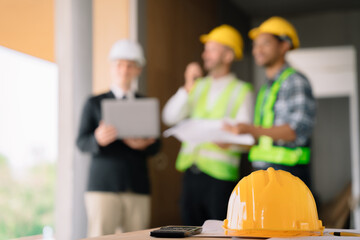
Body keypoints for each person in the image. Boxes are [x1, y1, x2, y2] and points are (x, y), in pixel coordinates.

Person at [162, 25, 253, 226]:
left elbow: (248, 140)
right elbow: (169, 116)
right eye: (206, 49)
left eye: (212, 49)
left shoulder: (241, 91)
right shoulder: (197, 86)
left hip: (220, 180)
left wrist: (230, 142)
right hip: (191, 175)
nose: (205, 55)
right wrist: (187, 86)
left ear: (228, 56)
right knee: (189, 232)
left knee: (219, 234)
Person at [76, 39, 161, 237]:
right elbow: (81, 142)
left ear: (138, 70)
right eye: (119, 65)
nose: (124, 70)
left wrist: (143, 145)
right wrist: (97, 139)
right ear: (112, 67)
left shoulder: (145, 104)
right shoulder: (94, 103)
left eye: (130, 66)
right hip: (103, 186)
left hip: (137, 186)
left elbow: (156, 145)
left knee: (137, 237)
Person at [224, 16, 316, 188]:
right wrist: (232, 141)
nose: (257, 49)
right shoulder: (267, 88)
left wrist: (250, 129)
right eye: (255, 45)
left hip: (289, 175)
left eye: (265, 43)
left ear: (284, 46)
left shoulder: (295, 81)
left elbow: (294, 131)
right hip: (264, 173)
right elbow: (264, 137)